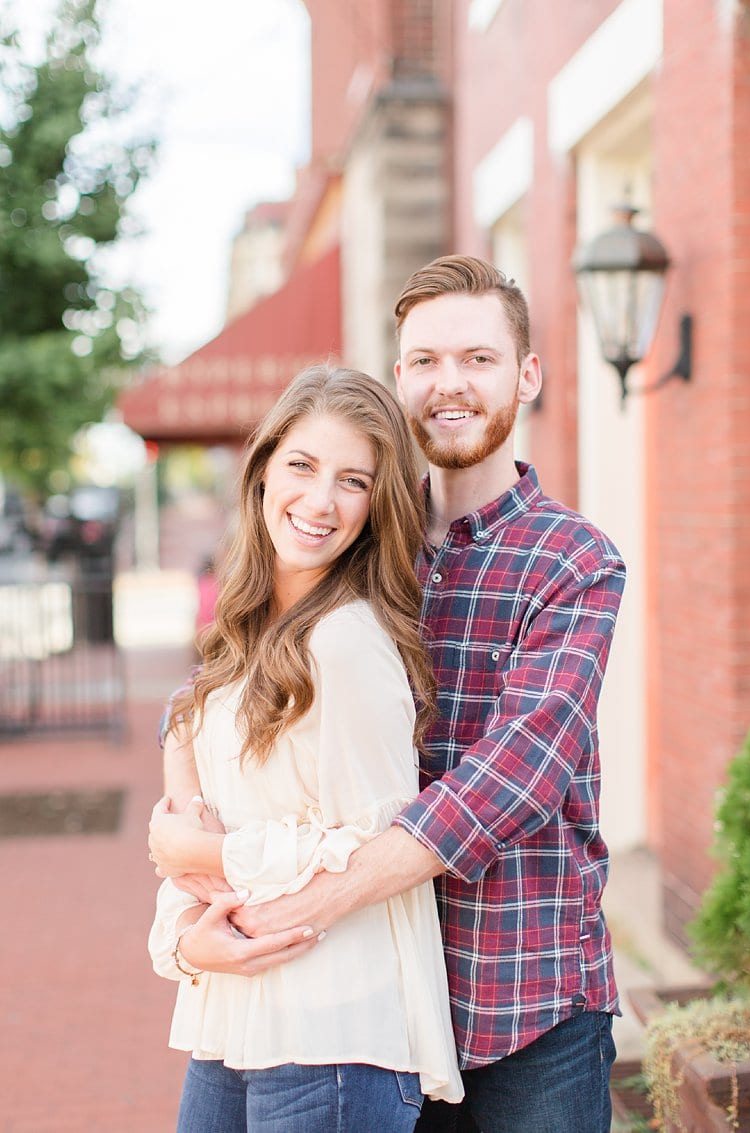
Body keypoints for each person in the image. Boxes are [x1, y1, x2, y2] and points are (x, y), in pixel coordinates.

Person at [186, 256, 627, 1133]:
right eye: (424, 360)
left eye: (478, 358)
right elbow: (236, 717)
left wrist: (291, 902)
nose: (448, 383)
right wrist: (186, 885)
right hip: (367, 1000)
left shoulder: (575, 560)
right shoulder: (351, 538)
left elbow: (513, 781)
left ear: (526, 374)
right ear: (399, 379)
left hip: (522, 999)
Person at [146, 364, 463, 1130]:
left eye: (353, 481)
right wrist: (188, 941)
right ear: (262, 474)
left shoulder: (347, 644)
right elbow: (189, 845)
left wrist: (216, 858)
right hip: (233, 1022)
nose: (320, 501)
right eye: (302, 465)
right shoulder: (236, 647)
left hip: (335, 1040)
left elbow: (378, 853)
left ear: (374, 507)